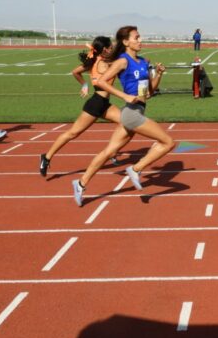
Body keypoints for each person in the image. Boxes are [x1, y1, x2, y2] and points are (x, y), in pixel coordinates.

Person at [72, 25, 176, 207]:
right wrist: (124, 95)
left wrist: (158, 75)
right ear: (126, 42)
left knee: (109, 152)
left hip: (137, 110)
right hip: (130, 114)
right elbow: (102, 82)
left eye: (140, 37)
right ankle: (136, 169)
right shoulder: (122, 61)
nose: (140, 40)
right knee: (168, 142)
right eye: (136, 38)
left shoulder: (144, 61)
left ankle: (80, 183)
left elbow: (150, 92)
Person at [39, 36, 123, 177]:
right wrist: (84, 85)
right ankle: (46, 157)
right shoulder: (106, 62)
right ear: (105, 49)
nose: (111, 49)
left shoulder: (99, 60)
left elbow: (76, 71)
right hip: (95, 104)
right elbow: (75, 72)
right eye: (109, 47)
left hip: (104, 104)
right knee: (72, 133)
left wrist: (85, 84)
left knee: (126, 122)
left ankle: (111, 152)